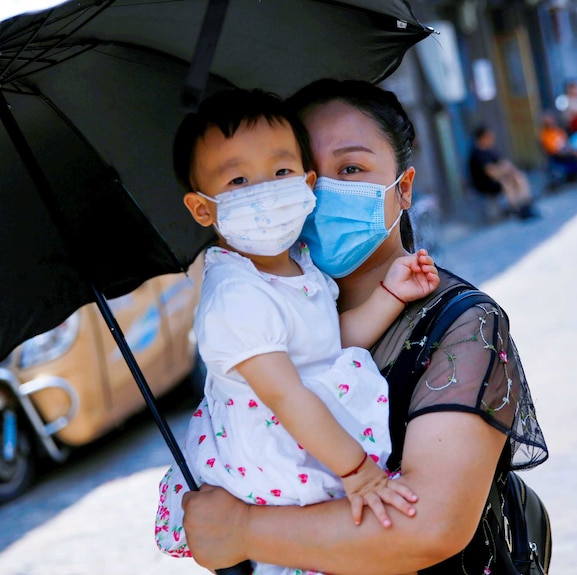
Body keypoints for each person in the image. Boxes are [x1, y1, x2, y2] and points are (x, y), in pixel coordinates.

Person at [179, 79, 548, 575]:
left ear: (405, 187)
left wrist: (243, 530)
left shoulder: (464, 328)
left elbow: (430, 525)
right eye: (311, 170)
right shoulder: (261, 306)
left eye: (351, 169)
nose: (322, 189)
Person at [154, 88, 440, 574]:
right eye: (239, 179)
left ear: (307, 184)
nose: (264, 189)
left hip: (310, 465)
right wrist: (360, 474)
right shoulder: (235, 296)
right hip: (277, 479)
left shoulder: (299, 268)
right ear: (204, 210)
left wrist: (390, 296)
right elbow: (287, 395)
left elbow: (329, 346)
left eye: (281, 172)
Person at [467, 125, 538, 221]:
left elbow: (504, 164)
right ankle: (516, 210)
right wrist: (505, 170)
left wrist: (508, 171)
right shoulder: (477, 154)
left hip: (498, 178)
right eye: (489, 136)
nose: (491, 138)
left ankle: (526, 205)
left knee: (518, 177)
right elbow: (491, 172)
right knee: (506, 182)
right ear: (482, 138)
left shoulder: (490, 150)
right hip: (485, 184)